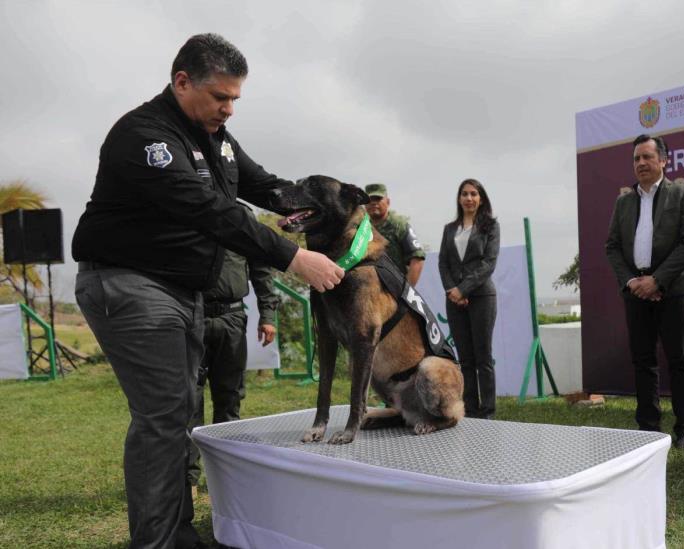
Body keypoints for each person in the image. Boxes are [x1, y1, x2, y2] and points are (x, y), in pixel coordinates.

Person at [72, 34, 343, 549]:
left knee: (184, 414)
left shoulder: (214, 135)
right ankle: (158, 540)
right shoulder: (145, 137)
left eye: (236, 99)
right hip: (130, 283)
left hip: (182, 290)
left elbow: (264, 187)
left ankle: (178, 531)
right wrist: (293, 257)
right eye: (221, 97)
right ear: (182, 82)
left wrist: (329, 205)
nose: (229, 109)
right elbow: (210, 210)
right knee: (166, 414)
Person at [606, 134, 684, 451]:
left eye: (647, 157)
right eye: (636, 158)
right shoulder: (624, 201)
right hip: (635, 292)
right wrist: (632, 281)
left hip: (673, 291)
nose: (641, 163)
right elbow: (613, 247)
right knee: (643, 362)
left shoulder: (683, 194)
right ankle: (647, 431)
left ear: (663, 160)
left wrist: (657, 281)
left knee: (679, 361)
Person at [187, 248, 278, 491]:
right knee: (189, 400)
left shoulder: (238, 219)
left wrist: (267, 315)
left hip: (232, 317)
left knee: (229, 397)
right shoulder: (184, 215)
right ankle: (189, 479)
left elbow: (261, 270)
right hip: (191, 317)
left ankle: (224, 473)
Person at [438, 179, 500, 419]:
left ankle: (488, 412)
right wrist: (453, 290)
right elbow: (443, 262)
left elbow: (488, 263)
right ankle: (471, 411)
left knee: (483, 357)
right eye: (464, 194)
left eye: (474, 194)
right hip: (454, 300)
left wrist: (463, 289)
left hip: (482, 296)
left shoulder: (491, 227)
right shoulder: (449, 228)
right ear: (459, 198)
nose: (469, 198)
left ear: (481, 198)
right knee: (465, 360)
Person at [364, 183, 426, 286]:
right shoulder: (361, 228)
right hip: (369, 289)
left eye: (378, 199)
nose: (373, 203)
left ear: (388, 202)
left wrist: (407, 292)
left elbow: (417, 259)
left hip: (394, 289)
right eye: (370, 200)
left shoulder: (399, 225)